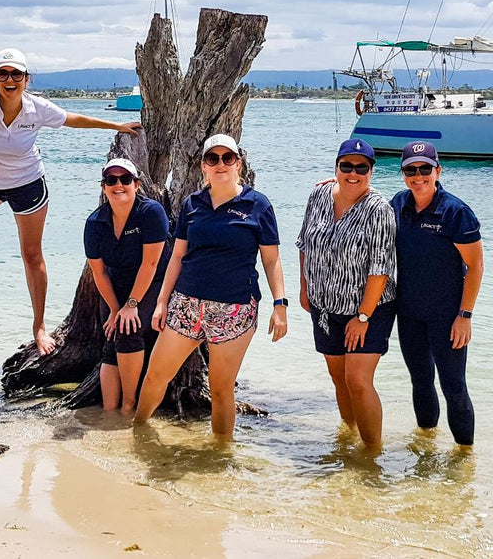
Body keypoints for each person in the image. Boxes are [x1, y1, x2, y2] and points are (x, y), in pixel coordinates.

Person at [0, 48, 141, 356]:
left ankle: (39, 326)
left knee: (32, 255)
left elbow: (75, 120)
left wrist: (116, 126)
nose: (10, 80)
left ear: (26, 79)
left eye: (16, 74)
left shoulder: (36, 108)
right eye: (3, 74)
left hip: (28, 187)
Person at [134, 134, 288, 440]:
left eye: (227, 158)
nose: (220, 164)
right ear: (204, 166)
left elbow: (271, 260)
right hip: (186, 306)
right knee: (155, 376)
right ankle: (138, 433)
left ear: (238, 164)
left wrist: (280, 305)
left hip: (235, 310)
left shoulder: (258, 206)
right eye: (213, 159)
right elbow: (177, 256)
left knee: (220, 390)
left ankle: (220, 457)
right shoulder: (193, 204)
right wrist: (162, 301)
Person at [297, 139, 396, 449]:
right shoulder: (318, 195)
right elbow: (304, 244)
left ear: (371, 171)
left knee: (358, 381)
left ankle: (372, 453)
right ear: (336, 167)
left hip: (369, 309)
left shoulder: (378, 209)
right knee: (339, 377)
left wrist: (363, 317)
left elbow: (380, 268)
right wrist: (304, 288)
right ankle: (348, 438)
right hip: (325, 308)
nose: (353, 173)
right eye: (347, 166)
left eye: (361, 167)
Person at [390, 141, 483, 447]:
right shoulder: (397, 205)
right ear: (403, 173)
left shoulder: (456, 212)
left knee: (454, 386)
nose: (418, 176)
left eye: (425, 169)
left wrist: (464, 316)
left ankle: (464, 460)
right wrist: (332, 184)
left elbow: (476, 266)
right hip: (409, 314)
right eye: (411, 170)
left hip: (447, 316)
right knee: (420, 381)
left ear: (438, 171)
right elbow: (362, 204)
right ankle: (426, 447)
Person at [84, 158, 169, 413]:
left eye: (125, 180)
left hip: (154, 281)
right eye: (111, 180)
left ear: (137, 184)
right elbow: (99, 272)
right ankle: (110, 411)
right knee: (111, 335)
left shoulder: (151, 213)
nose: (118, 185)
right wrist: (113, 308)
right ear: (104, 187)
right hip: (116, 282)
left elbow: (151, 265)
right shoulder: (95, 223)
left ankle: (129, 405)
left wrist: (131, 305)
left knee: (127, 329)